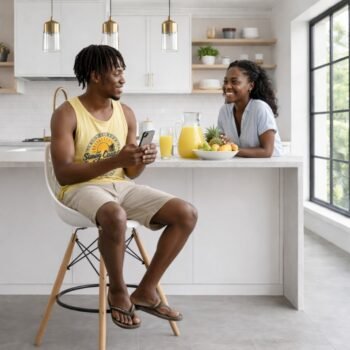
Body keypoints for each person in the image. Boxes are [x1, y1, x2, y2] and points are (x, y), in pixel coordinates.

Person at [50, 45, 197, 329]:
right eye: (117, 72)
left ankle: (146, 291)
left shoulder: (126, 113)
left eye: (123, 73)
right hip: (81, 188)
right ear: (95, 75)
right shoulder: (67, 113)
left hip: (120, 186)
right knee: (114, 215)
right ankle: (117, 292)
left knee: (186, 213)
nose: (123, 79)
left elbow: (130, 173)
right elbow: (64, 174)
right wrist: (116, 158)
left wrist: (141, 159)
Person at [218, 60, 283, 157]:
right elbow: (222, 144)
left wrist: (232, 149)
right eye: (226, 81)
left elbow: (267, 151)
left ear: (251, 85)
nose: (227, 86)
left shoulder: (260, 108)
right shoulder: (224, 111)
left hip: (272, 167)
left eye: (234, 82)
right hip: (242, 165)